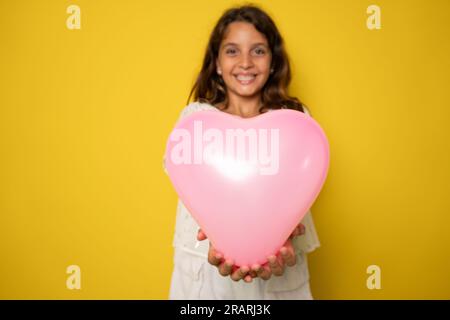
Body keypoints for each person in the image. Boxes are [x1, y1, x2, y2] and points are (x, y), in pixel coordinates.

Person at [163, 4, 321, 299]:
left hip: (280, 272)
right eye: (232, 51)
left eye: (258, 51)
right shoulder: (195, 119)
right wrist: (226, 237)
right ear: (218, 63)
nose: (245, 62)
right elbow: (183, 174)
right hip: (203, 275)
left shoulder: (296, 119)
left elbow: (297, 188)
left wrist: (276, 239)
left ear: (273, 61)